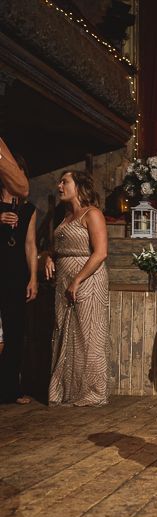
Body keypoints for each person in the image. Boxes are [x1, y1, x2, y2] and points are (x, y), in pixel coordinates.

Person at [45, 171, 109, 406]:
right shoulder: (65, 216)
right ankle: (65, 390)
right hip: (64, 277)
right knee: (63, 331)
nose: (59, 186)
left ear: (79, 186)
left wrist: (77, 280)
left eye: (65, 182)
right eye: (60, 182)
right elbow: (57, 245)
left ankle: (92, 392)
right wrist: (50, 257)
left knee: (87, 333)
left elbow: (101, 252)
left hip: (88, 278)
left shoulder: (92, 214)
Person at [0, 156, 38, 404]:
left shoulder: (28, 209)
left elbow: (30, 244)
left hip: (15, 274)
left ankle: (10, 389)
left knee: (15, 331)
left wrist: (33, 277)